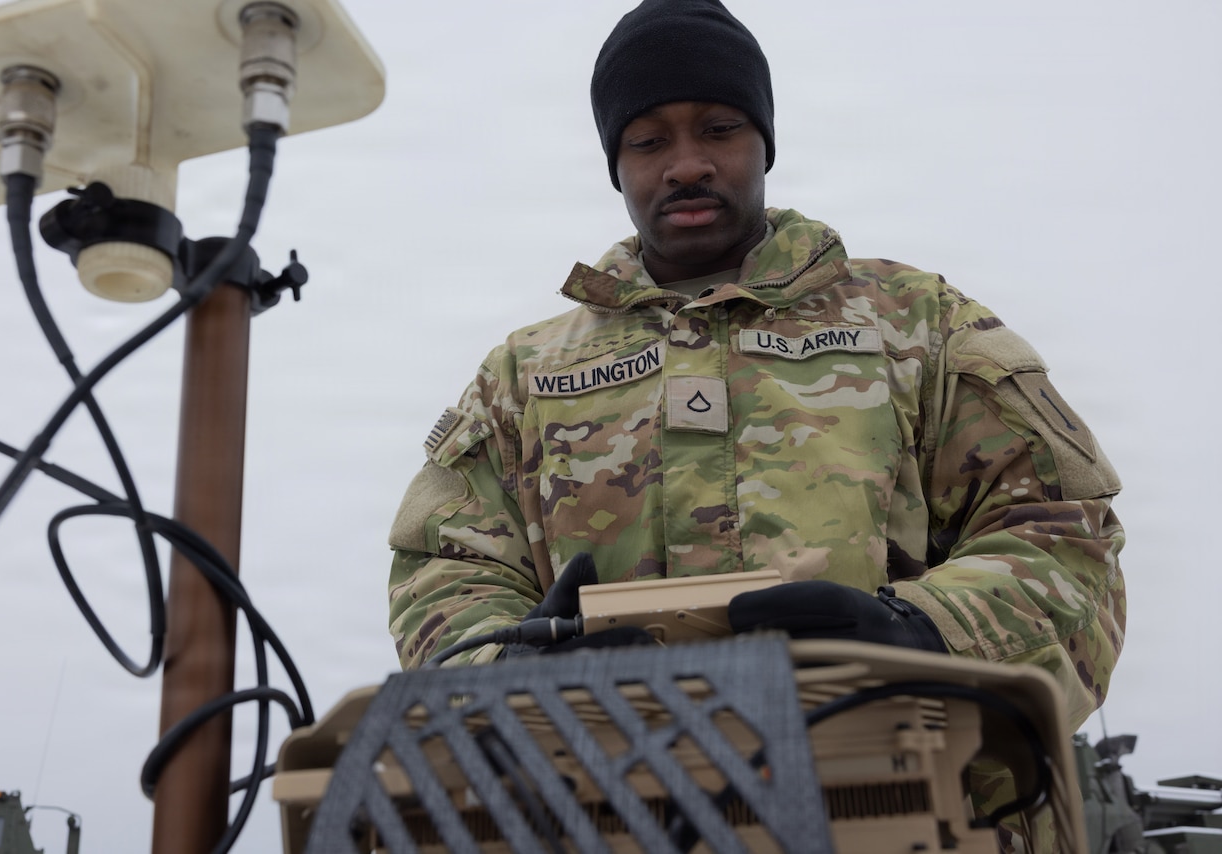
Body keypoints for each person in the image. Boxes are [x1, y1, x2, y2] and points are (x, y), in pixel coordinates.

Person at [387, 0, 1124, 801]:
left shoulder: (918, 325)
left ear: (763, 142)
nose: (687, 164)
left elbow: (1066, 542)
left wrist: (921, 634)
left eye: (719, 128)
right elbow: (446, 570)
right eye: (649, 140)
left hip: (904, 805)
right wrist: (513, 665)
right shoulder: (521, 375)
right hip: (614, 811)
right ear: (616, 161)